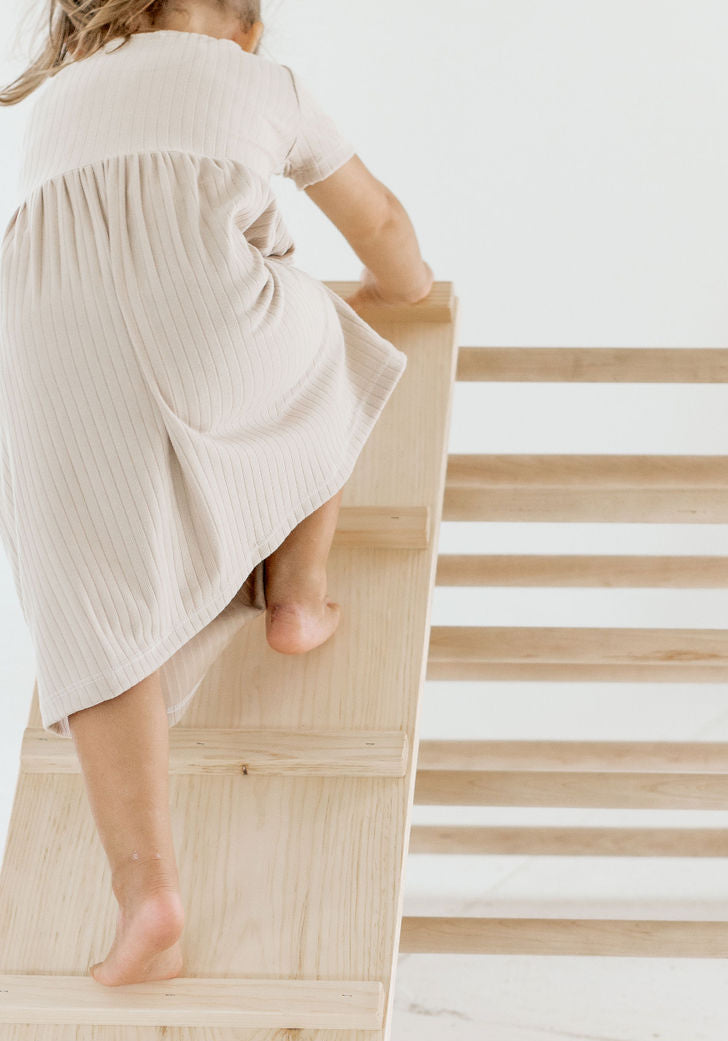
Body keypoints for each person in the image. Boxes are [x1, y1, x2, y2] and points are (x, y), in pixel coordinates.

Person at [0, 0, 434, 987]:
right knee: (325, 338)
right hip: (212, 331)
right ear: (241, 28)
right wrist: (403, 284)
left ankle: (146, 891)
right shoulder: (262, 85)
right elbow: (387, 231)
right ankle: (298, 588)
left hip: (47, 348)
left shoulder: (62, 101)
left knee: (96, 604)